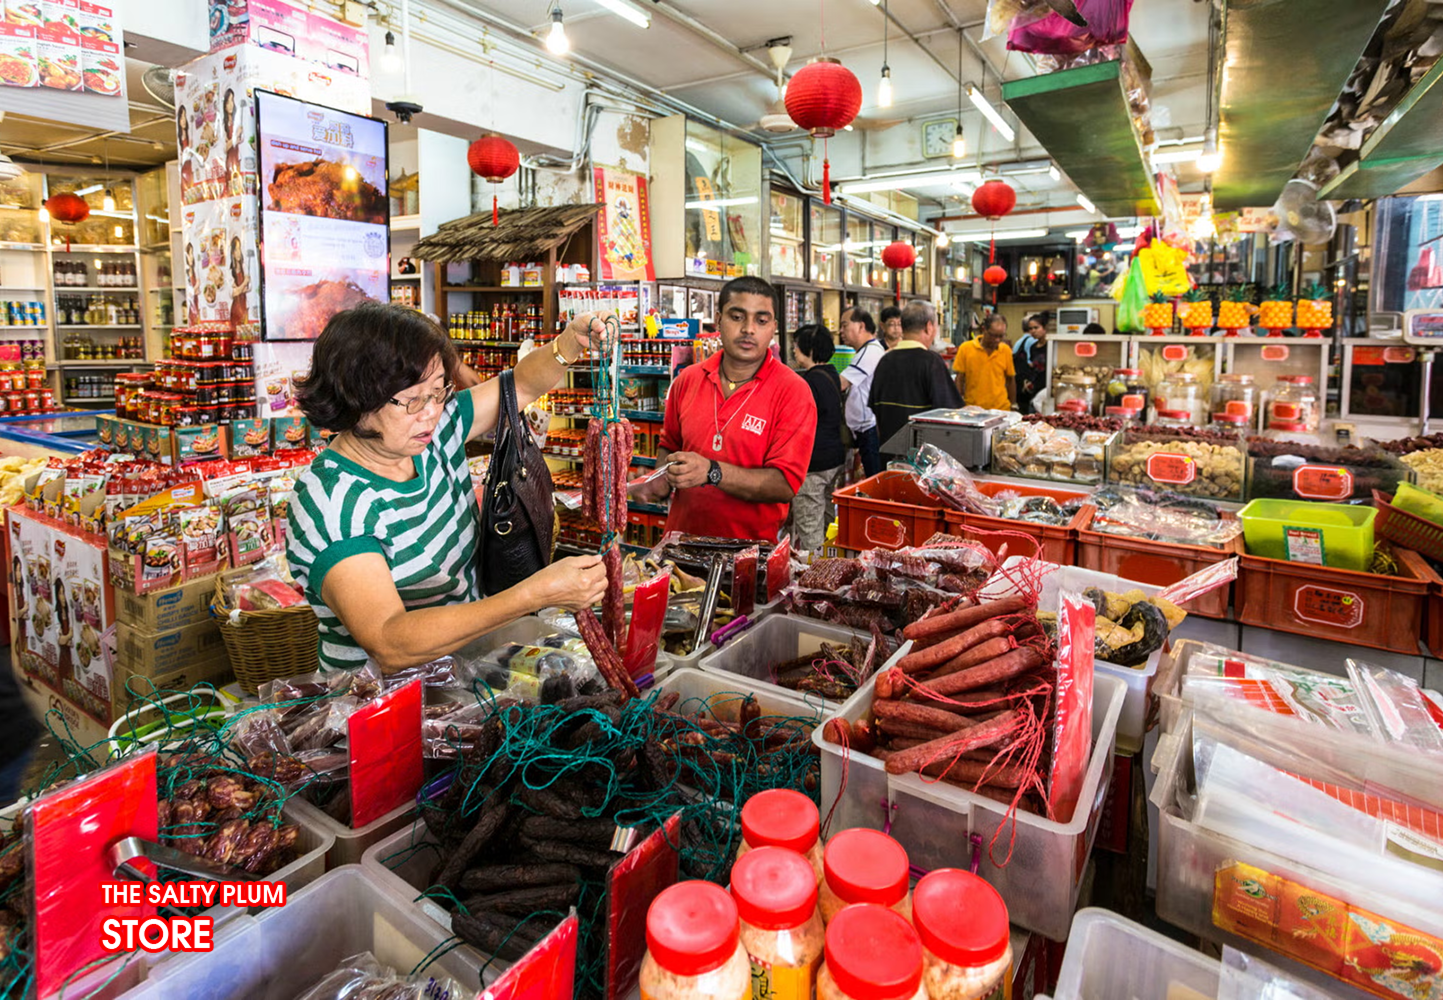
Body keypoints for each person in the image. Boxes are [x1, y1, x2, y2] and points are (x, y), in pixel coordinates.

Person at [288, 302, 609, 672]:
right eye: (412, 400)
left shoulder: (434, 434)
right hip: (379, 705)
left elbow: (518, 384)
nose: (431, 412)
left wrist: (568, 343)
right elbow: (390, 641)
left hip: (464, 672)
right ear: (355, 398)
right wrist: (533, 593)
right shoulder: (332, 501)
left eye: (439, 391)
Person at [634, 276, 816, 544]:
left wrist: (711, 472)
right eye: (737, 317)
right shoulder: (687, 380)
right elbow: (670, 445)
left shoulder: (793, 391)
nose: (748, 329)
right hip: (680, 544)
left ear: (774, 328)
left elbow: (784, 484)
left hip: (749, 555)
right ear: (718, 320)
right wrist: (659, 479)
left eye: (761, 320)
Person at [868, 301, 962, 458]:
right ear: (929, 327)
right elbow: (949, 414)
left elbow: (877, 414)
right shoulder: (931, 362)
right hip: (924, 464)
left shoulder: (884, 361)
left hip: (889, 460)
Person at [787, 324, 845, 553]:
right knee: (829, 523)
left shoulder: (809, 382)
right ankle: (834, 566)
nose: (793, 350)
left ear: (809, 349)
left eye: (796, 346)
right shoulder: (832, 374)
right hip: (835, 459)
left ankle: (817, 577)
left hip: (813, 463)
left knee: (810, 529)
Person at [837, 307, 885, 478]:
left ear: (861, 326)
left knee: (874, 480)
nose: (840, 331)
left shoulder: (870, 351)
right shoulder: (865, 351)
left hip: (869, 429)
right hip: (863, 429)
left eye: (844, 325)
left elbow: (841, 383)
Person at [953, 314, 1017, 410]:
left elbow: (1010, 380)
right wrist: (958, 404)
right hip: (973, 409)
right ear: (984, 329)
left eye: (1001, 336)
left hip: (1001, 409)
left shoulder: (1005, 350)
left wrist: (1013, 404)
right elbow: (960, 379)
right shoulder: (966, 348)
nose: (997, 340)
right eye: (993, 335)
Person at [1013, 313, 1049, 415]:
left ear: (1044, 328)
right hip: (1034, 389)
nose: (1033, 331)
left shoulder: (1051, 346)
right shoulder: (1033, 347)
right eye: (1030, 329)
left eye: (1036, 328)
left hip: (1047, 389)